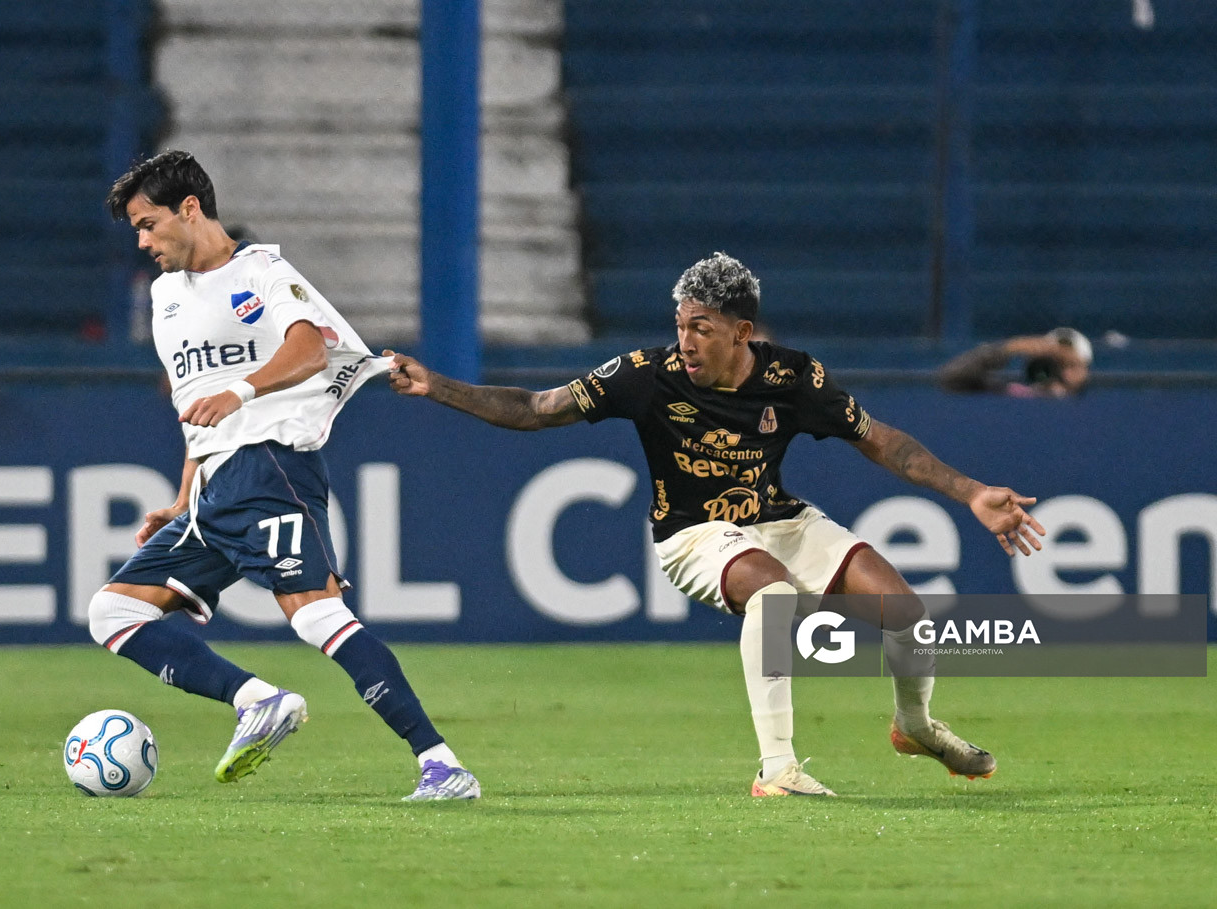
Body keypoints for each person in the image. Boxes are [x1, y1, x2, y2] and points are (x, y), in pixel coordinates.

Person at [388, 251, 1045, 796]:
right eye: (680, 325)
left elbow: (881, 441)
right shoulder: (645, 375)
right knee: (775, 594)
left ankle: (916, 727)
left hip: (776, 518)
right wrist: (436, 385)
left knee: (907, 614)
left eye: (701, 327)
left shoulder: (792, 377)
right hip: (691, 534)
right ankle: (777, 769)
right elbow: (536, 408)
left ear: (741, 332)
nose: (685, 341)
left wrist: (972, 492)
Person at [96, 150, 479, 800]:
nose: (142, 242)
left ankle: (441, 765)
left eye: (148, 224)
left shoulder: (261, 272)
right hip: (214, 488)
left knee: (317, 616)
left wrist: (242, 391)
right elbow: (197, 405)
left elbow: (310, 349)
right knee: (114, 611)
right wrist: (183, 497)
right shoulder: (165, 297)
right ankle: (257, 700)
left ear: (190, 209)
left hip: (270, 466)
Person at [938, 328, 1092, 397]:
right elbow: (950, 378)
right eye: (1054, 361)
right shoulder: (1013, 393)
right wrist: (1010, 348)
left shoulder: (1091, 407)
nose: (1058, 369)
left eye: (1068, 364)